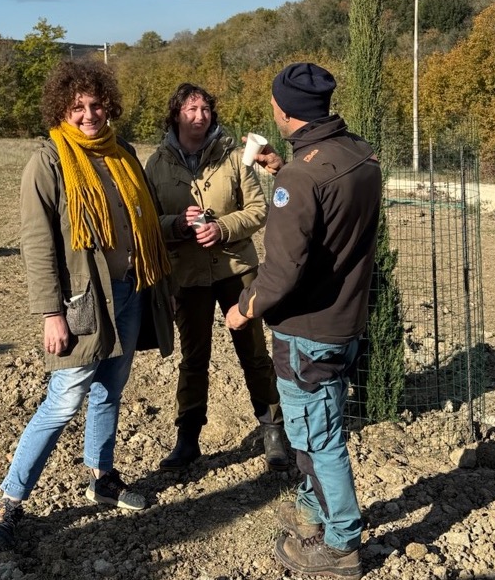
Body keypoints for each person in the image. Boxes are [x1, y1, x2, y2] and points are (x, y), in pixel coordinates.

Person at [0, 58, 173, 550]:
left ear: (109, 105)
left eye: (97, 104)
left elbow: (142, 221)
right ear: (61, 110)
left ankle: (102, 475)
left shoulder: (123, 153)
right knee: (63, 399)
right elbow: (37, 242)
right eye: (78, 107)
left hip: (129, 290)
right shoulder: (48, 161)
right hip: (82, 302)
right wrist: (50, 314)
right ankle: (8, 500)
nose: (90, 115)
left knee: (111, 388)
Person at [225, 62, 382, 579]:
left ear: (282, 109)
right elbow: (329, 208)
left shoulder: (301, 176)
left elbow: (281, 272)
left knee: (319, 437)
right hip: (346, 317)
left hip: (308, 329)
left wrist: (244, 308)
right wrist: (280, 165)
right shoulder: (359, 154)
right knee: (323, 421)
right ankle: (314, 510)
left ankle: (341, 545)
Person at [144, 82, 288, 472]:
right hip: (186, 274)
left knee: (254, 352)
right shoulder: (157, 164)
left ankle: (274, 431)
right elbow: (146, 221)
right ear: (176, 114)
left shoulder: (234, 157)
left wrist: (222, 228)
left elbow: (258, 209)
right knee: (194, 358)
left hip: (236, 270)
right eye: (190, 109)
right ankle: (187, 439)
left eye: (205, 109)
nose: (199, 116)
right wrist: (175, 224)